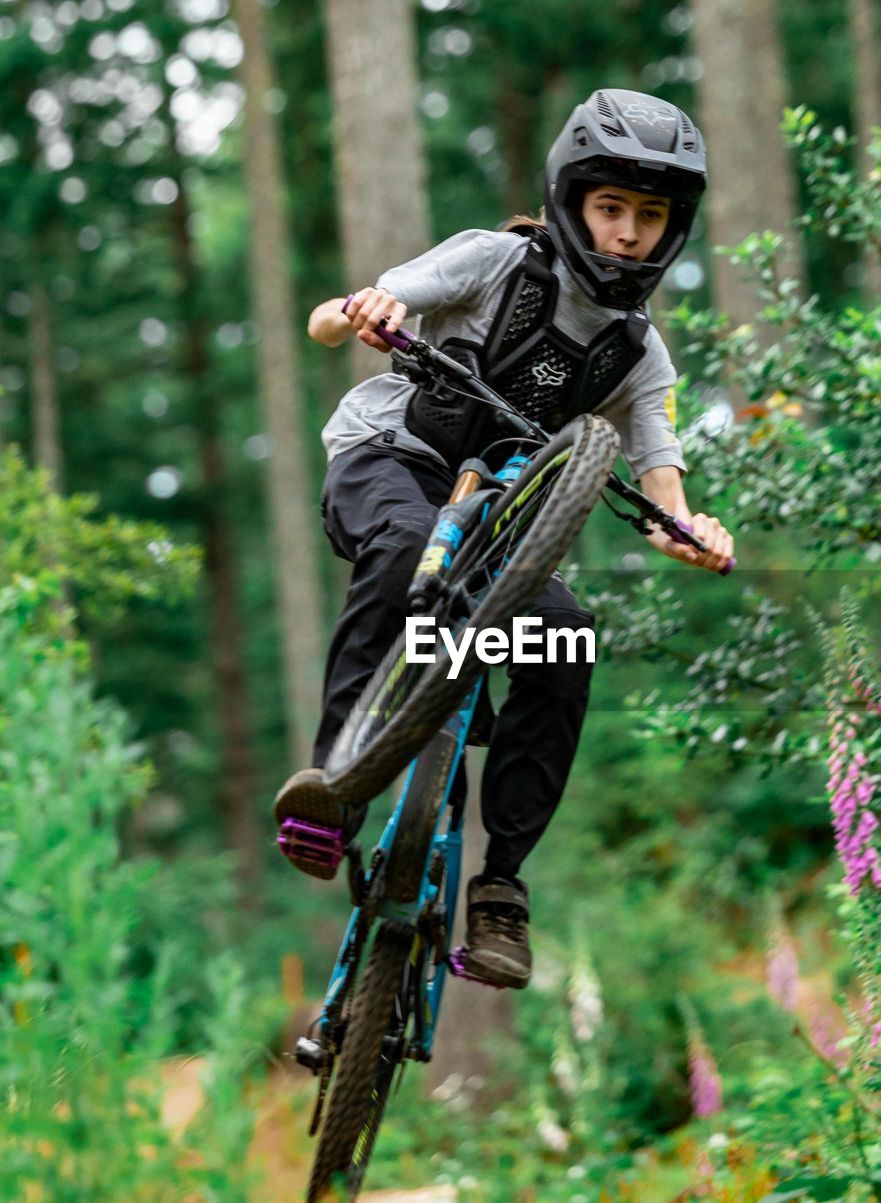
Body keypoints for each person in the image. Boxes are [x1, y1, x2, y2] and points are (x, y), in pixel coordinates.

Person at [273, 88, 735, 989]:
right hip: (390, 460)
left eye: (650, 215)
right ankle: (334, 791)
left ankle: (500, 895)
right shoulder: (493, 263)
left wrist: (690, 530)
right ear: (572, 199)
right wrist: (359, 312)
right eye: (612, 208)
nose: (630, 233)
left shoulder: (641, 356)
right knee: (407, 548)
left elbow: (661, 479)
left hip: (499, 537)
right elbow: (343, 314)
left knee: (567, 644)